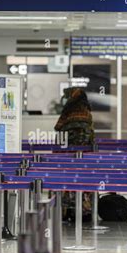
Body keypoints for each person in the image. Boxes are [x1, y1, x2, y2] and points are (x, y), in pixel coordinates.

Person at [55, 87, 95, 222]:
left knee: (66, 179)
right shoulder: (86, 111)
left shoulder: (68, 110)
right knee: (83, 179)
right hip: (84, 153)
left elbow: (58, 127)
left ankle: (67, 211)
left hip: (67, 152)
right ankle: (85, 211)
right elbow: (90, 130)